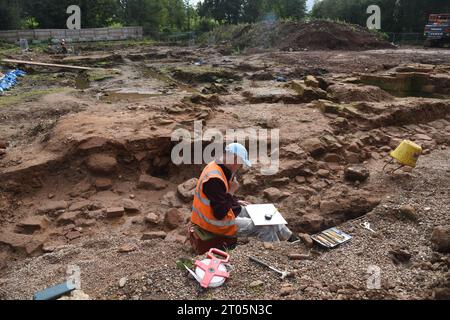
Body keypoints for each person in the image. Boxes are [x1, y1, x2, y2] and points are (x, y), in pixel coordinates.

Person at [191, 143, 297, 242]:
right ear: (235, 158)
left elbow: (218, 197)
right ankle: (277, 255)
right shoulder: (213, 179)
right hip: (216, 223)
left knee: (267, 213)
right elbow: (219, 213)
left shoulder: (218, 166)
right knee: (265, 226)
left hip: (221, 213)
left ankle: (292, 240)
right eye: (240, 163)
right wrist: (231, 192)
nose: (239, 167)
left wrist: (234, 201)